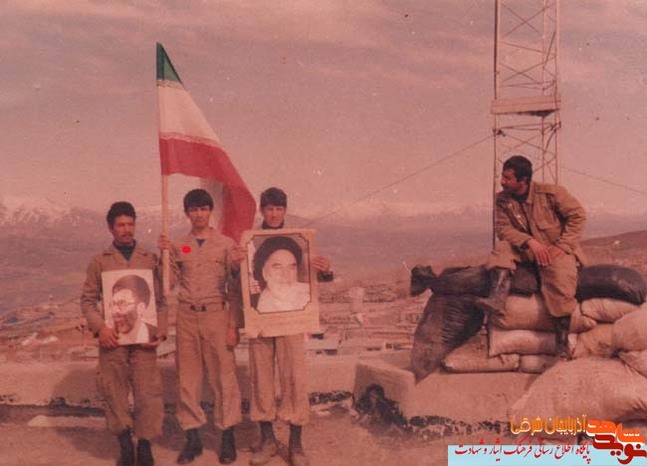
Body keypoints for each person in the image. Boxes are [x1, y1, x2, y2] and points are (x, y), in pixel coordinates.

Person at [243, 187, 333, 466]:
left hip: (291, 322)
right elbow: (241, 283)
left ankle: (295, 443)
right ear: (262, 210)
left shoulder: (299, 241)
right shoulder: (250, 243)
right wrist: (236, 266)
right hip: (261, 322)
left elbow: (314, 280)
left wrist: (325, 270)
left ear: (284, 210)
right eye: (269, 209)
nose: (274, 214)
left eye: (279, 209)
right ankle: (268, 439)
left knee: (294, 378)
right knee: (261, 380)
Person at [158, 189, 243, 465]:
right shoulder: (179, 245)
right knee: (187, 380)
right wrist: (164, 256)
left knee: (224, 378)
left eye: (203, 209)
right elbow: (168, 284)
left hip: (216, 315)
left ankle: (227, 438)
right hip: (186, 317)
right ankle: (192, 439)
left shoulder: (226, 245)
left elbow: (234, 290)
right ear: (187, 213)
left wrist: (233, 326)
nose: (199, 215)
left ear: (210, 211)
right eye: (193, 210)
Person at [80, 201, 167, 466]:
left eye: (130, 224)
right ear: (111, 228)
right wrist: (101, 328)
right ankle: (124, 442)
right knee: (114, 391)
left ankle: (145, 444)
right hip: (113, 340)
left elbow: (161, 301)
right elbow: (87, 300)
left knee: (147, 393)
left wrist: (159, 331)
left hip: (143, 341)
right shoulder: (100, 262)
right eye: (121, 225)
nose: (126, 230)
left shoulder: (149, 259)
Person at [482, 155, 587, 358]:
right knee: (502, 249)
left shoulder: (551, 193)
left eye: (507, 178)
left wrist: (563, 246)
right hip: (525, 247)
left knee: (560, 279)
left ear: (523, 180)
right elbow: (503, 229)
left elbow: (578, 216)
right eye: (502, 177)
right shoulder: (502, 199)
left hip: (556, 248)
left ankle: (561, 341)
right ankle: (496, 298)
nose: (502, 181)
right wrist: (529, 242)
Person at [253, 235, 311, 313]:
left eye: (291, 267)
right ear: (264, 273)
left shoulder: (308, 291)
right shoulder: (263, 306)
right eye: (278, 268)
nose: (286, 275)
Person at [110, 274, 158, 345]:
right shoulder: (110, 336)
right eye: (113, 304)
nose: (115, 311)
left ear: (140, 308)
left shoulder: (155, 335)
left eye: (122, 304)